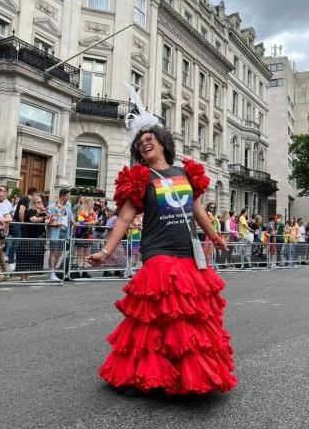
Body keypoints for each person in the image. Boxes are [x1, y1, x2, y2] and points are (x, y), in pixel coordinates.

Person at [86, 117, 236, 396]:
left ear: (162, 142)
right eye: (140, 143)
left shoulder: (185, 172)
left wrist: (215, 236)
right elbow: (124, 218)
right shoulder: (141, 178)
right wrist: (106, 251)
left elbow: (197, 210)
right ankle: (146, 375)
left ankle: (188, 376)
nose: (144, 144)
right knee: (155, 315)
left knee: (187, 316)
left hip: (187, 252)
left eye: (149, 139)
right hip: (158, 251)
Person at [16, 194, 48, 281]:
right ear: (33, 203)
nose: (40, 203)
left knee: (31, 256)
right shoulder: (30, 211)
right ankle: (22, 276)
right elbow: (33, 219)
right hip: (28, 236)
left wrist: (45, 213)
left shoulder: (42, 212)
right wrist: (44, 217)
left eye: (41, 202)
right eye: (38, 202)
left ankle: (27, 275)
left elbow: (49, 218)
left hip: (38, 236)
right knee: (24, 256)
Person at [47, 188, 74, 281]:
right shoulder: (52, 206)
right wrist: (54, 223)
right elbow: (48, 219)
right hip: (55, 231)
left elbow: (71, 217)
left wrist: (75, 222)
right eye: (68, 196)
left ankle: (53, 271)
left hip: (65, 231)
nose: (69, 198)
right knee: (53, 252)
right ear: (62, 196)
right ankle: (51, 273)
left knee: (59, 253)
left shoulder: (69, 205)